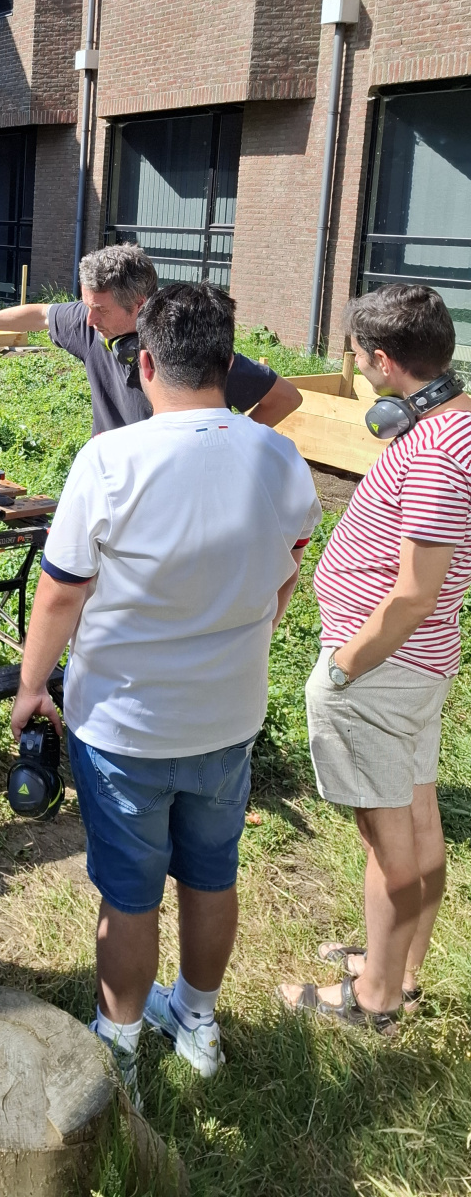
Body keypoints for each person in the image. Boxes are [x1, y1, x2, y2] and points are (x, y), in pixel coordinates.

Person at [11, 282, 320, 1094]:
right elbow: (287, 571)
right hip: (228, 715)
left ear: (144, 364)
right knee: (213, 875)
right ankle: (198, 1017)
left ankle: (118, 1041)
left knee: (129, 890)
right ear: (229, 362)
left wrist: (31, 684)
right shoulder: (280, 457)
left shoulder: (111, 460)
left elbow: (60, 593)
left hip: (123, 722)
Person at [278, 285, 471, 1033]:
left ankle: (376, 1001)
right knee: (419, 822)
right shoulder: (454, 426)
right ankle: (401, 968)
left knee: (387, 842)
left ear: (385, 364)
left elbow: (414, 593)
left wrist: (343, 667)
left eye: (357, 356)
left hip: (383, 668)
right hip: (413, 668)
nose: (355, 367)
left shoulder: (434, 453)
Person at [0, 242, 301, 435]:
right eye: (86, 306)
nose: (89, 319)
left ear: (140, 306)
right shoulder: (89, 322)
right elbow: (39, 314)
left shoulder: (188, 348)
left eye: (101, 310)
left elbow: (286, 397)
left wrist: (236, 440)